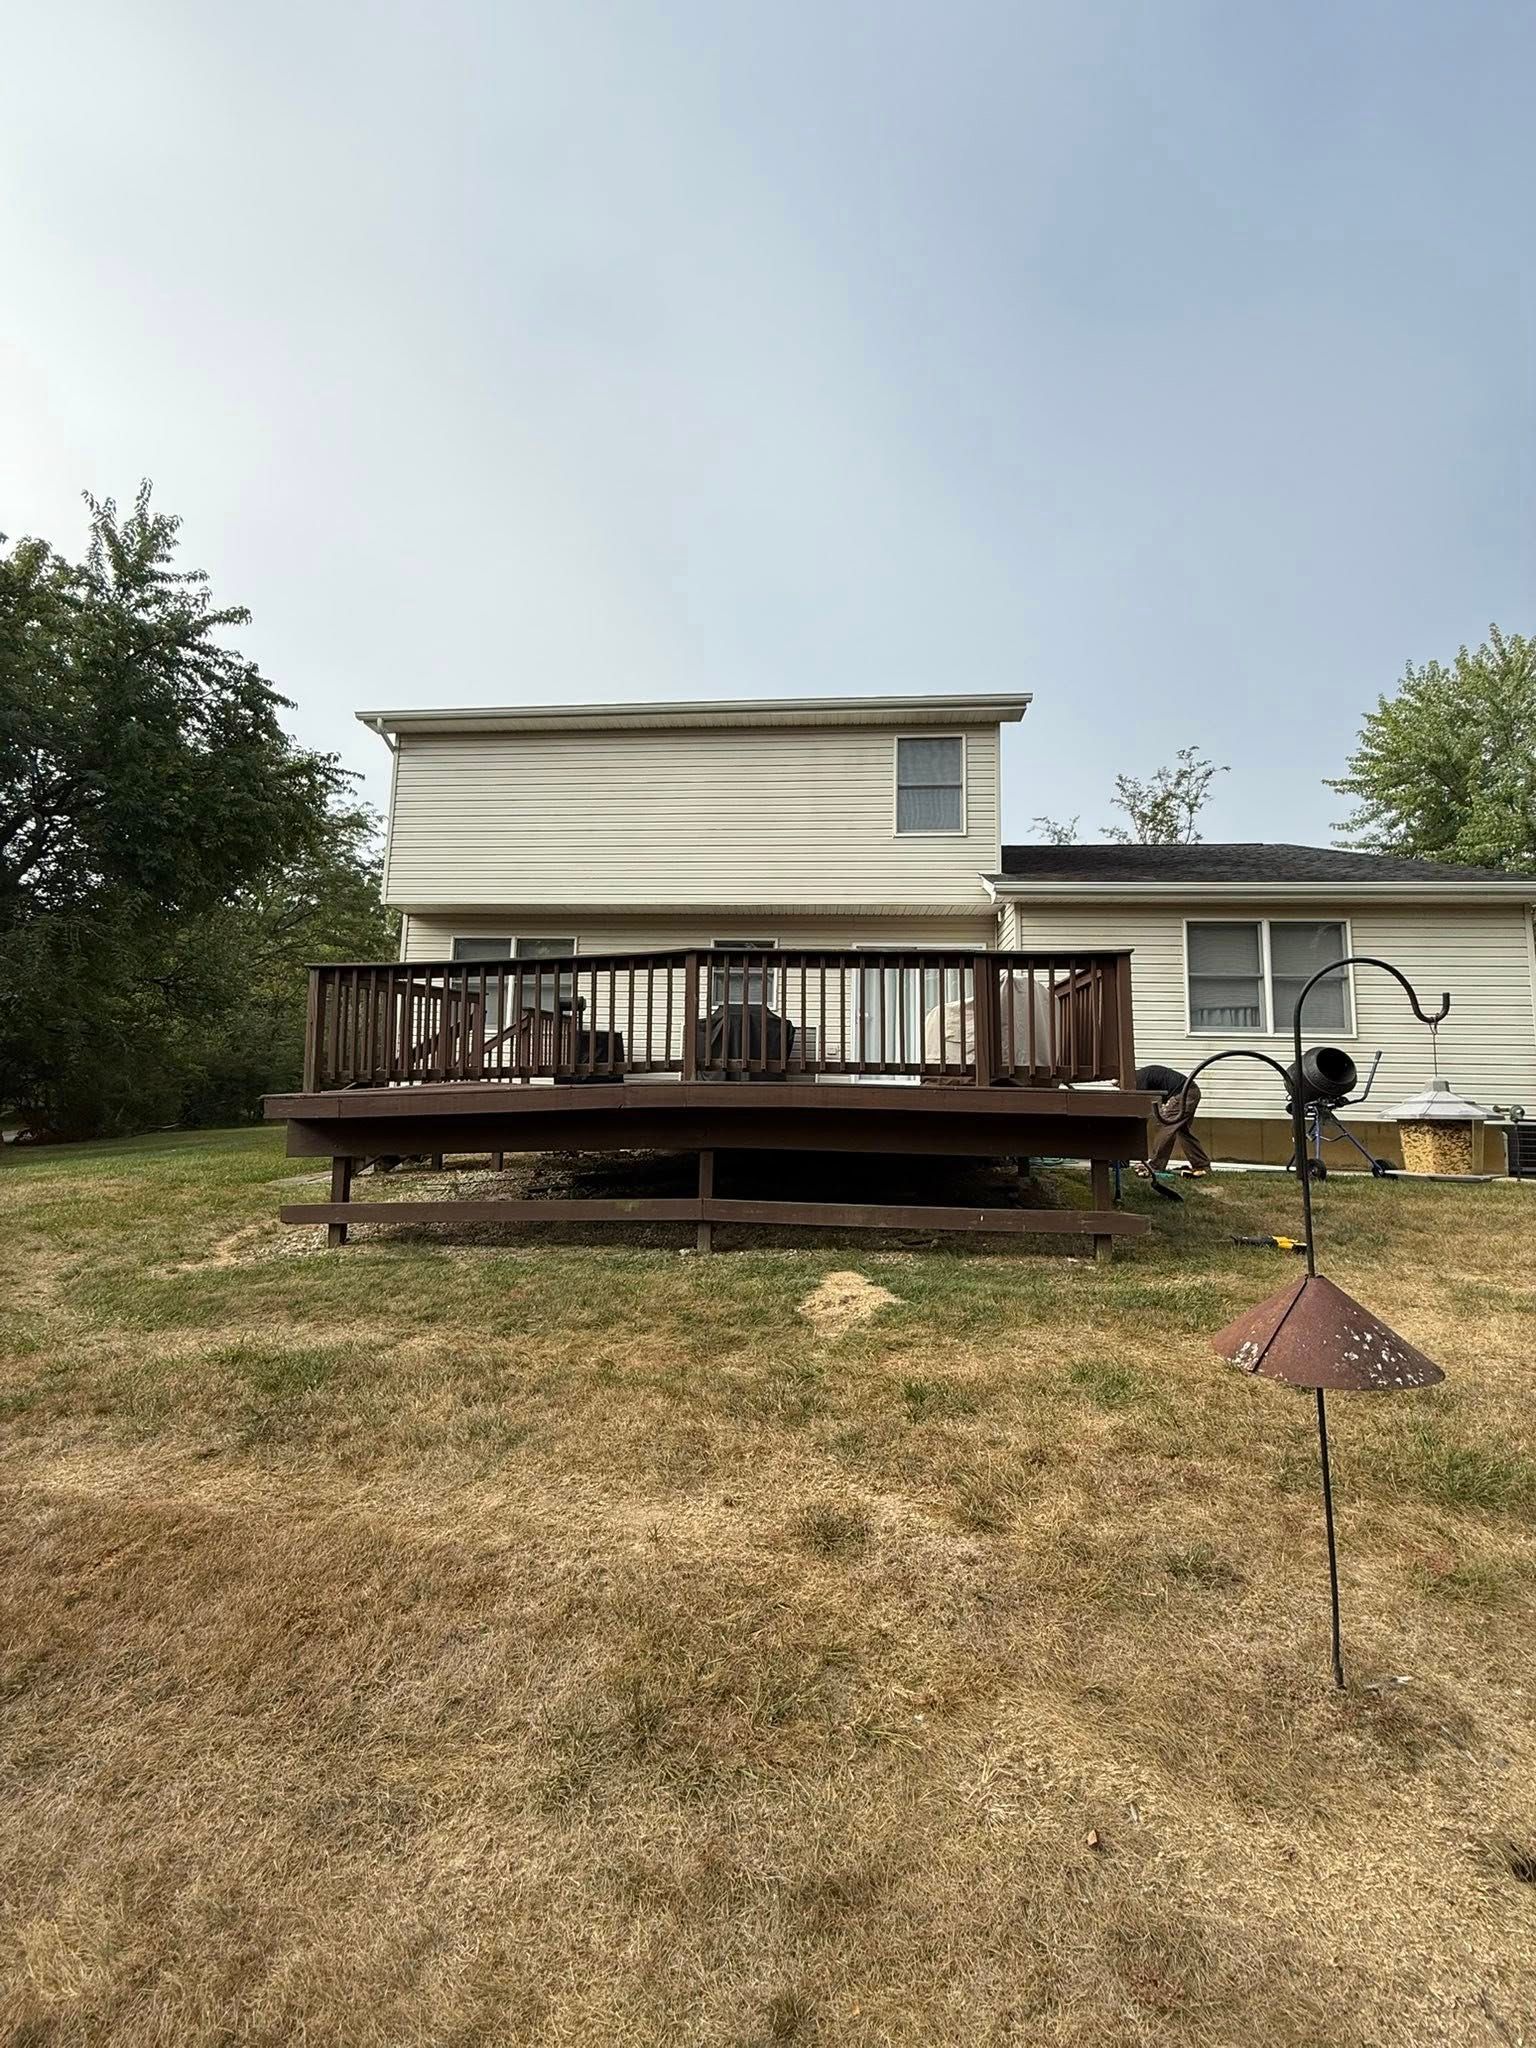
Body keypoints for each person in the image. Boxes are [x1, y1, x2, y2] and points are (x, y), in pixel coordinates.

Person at [1134, 1063, 1212, 1177]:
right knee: (1183, 1131)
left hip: (1184, 1094)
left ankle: (1155, 1165)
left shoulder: (1138, 1080)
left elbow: (1141, 1108)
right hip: (1191, 1092)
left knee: (1165, 1126)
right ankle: (1201, 1164)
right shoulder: (1142, 1075)